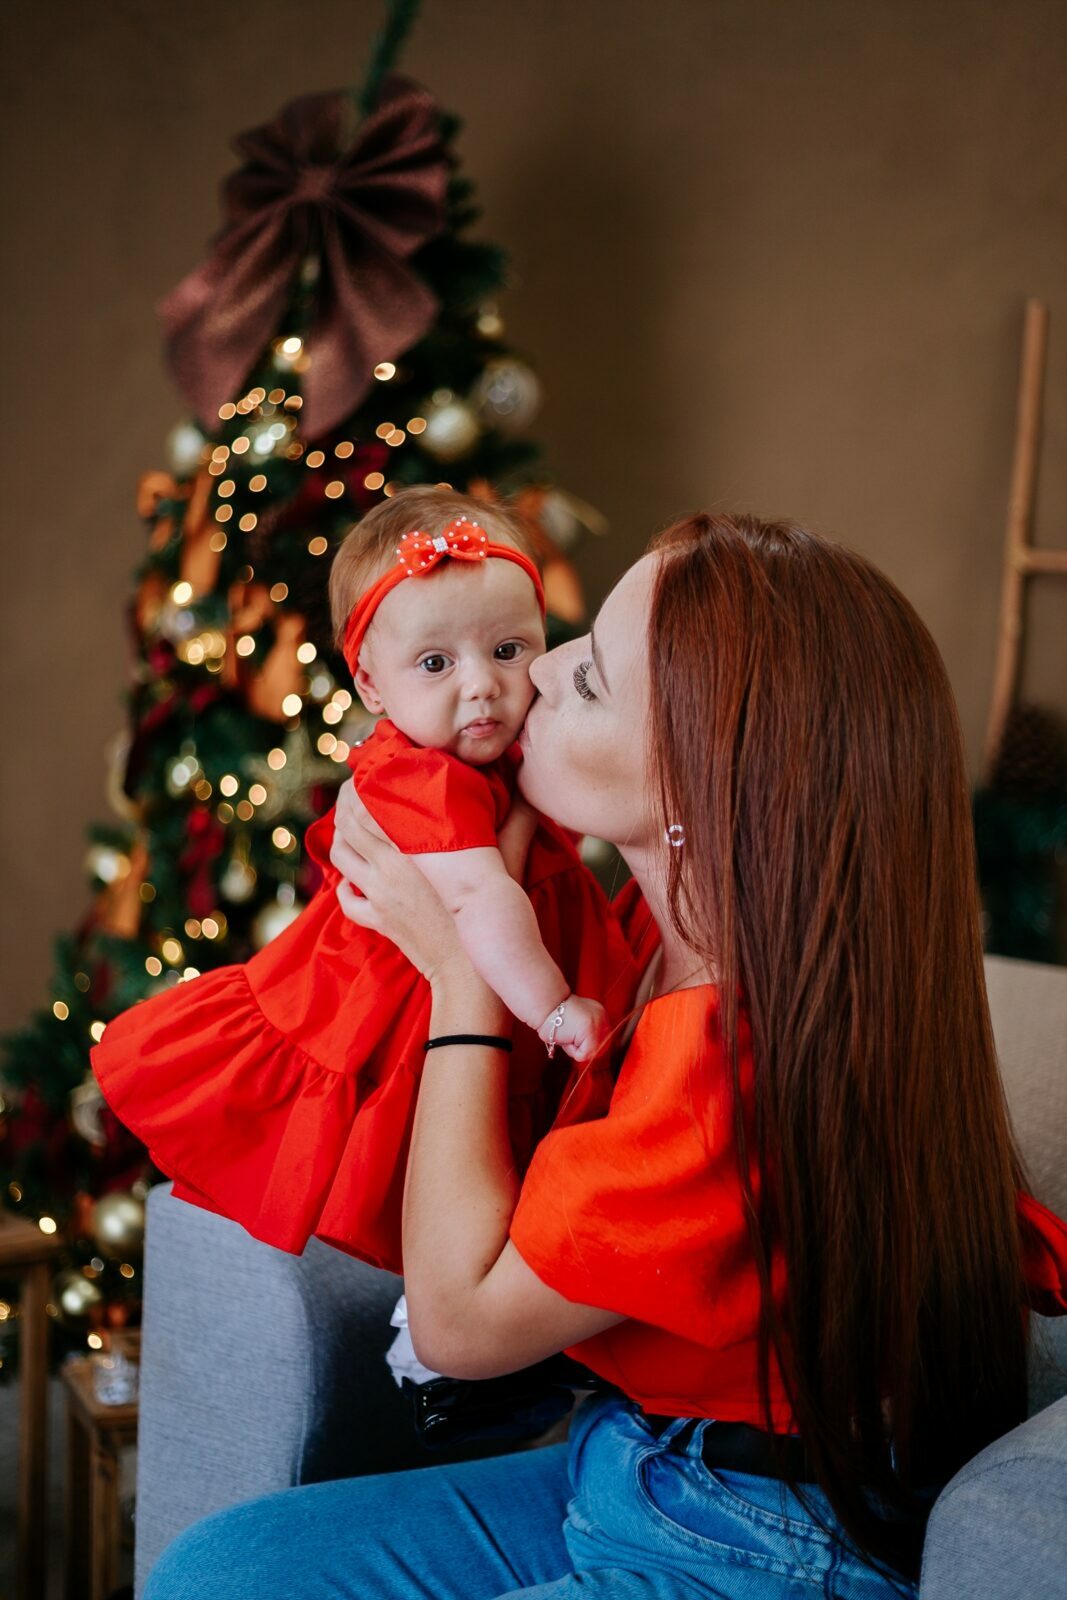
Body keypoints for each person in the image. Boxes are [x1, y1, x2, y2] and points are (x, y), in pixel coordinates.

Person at [143, 512, 1067, 1599]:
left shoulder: (724, 1068)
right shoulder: (646, 933)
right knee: (222, 1568)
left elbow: (459, 1323)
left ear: (700, 779)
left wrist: (461, 972)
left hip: (756, 1532)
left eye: (585, 680)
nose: (534, 673)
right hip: (630, 1455)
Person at [92, 487, 639, 1272]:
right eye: (435, 663)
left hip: (502, 995)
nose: (481, 684)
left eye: (508, 649)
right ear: (373, 689)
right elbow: (482, 900)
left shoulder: (501, 745)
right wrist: (554, 1010)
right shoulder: (421, 779)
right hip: (427, 1008)